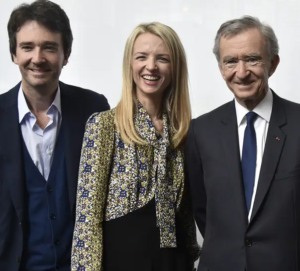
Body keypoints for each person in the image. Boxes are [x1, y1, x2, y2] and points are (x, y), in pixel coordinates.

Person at [71, 22, 200, 271]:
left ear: (175, 68)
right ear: (130, 64)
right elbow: (87, 221)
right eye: (142, 57)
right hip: (123, 260)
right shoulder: (104, 126)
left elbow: (185, 216)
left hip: (174, 261)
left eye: (162, 58)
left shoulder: (183, 132)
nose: (151, 66)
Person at [185, 15, 300, 271]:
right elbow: (202, 210)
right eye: (231, 62)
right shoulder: (200, 131)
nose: (241, 72)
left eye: (252, 59)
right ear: (221, 68)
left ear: (273, 63)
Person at [0, 0, 110, 270]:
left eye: (49, 47)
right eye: (27, 47)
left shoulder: (94, 110)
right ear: (14, 53)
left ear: (66, 54)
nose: (37, 58)